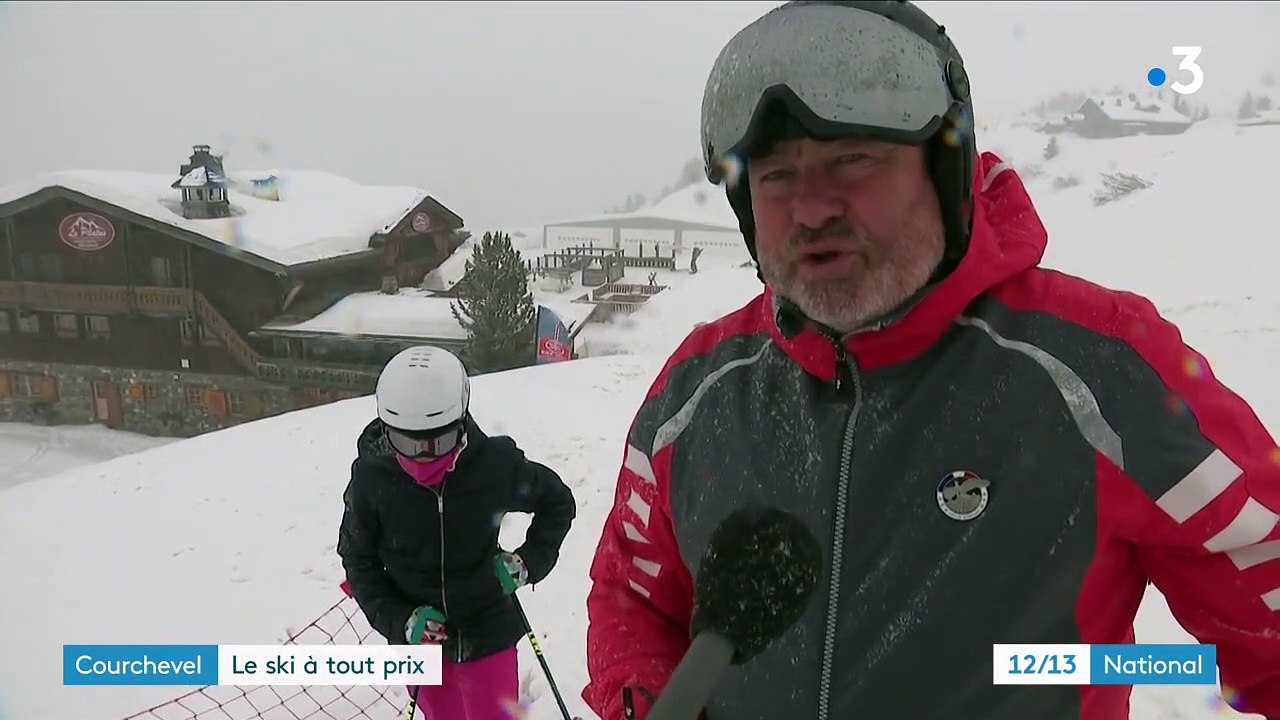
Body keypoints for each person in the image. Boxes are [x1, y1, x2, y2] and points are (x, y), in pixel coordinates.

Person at [580, 2, 1280, 719]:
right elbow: (633, 601)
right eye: (778, 176)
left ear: (944, 172)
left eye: (854, 160)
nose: (812, 209)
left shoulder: (1100, 370)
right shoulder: (697, 394)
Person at [337, 345, 576, 720]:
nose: (422, 458)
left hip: (487, 629)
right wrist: (401, 620)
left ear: (461, 423)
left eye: (438, 442)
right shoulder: (373, 480)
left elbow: (557, 502)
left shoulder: (493, 466)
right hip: (419, 642)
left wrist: (529, 561)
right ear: (387, 429)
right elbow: (358, 560)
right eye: (407, 442)